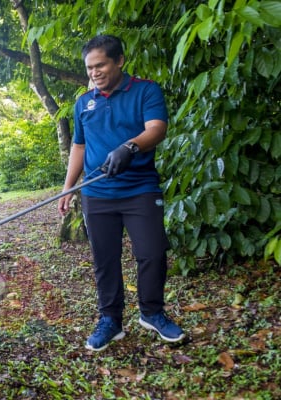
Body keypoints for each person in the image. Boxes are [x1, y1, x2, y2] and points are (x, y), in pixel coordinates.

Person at [57, 35, 184, 352]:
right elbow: (79, 145)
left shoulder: (145, 90)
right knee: (105, 259)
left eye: (100, 65)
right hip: (97, 193)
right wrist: (68, 186)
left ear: (119, 61)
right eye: (89, 68)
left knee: (152, 253)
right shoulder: (84, 102)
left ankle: (152, 313)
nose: (94, 73)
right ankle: (110, 320)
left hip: (140, 188)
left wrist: (130, 147)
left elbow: (157, 128)